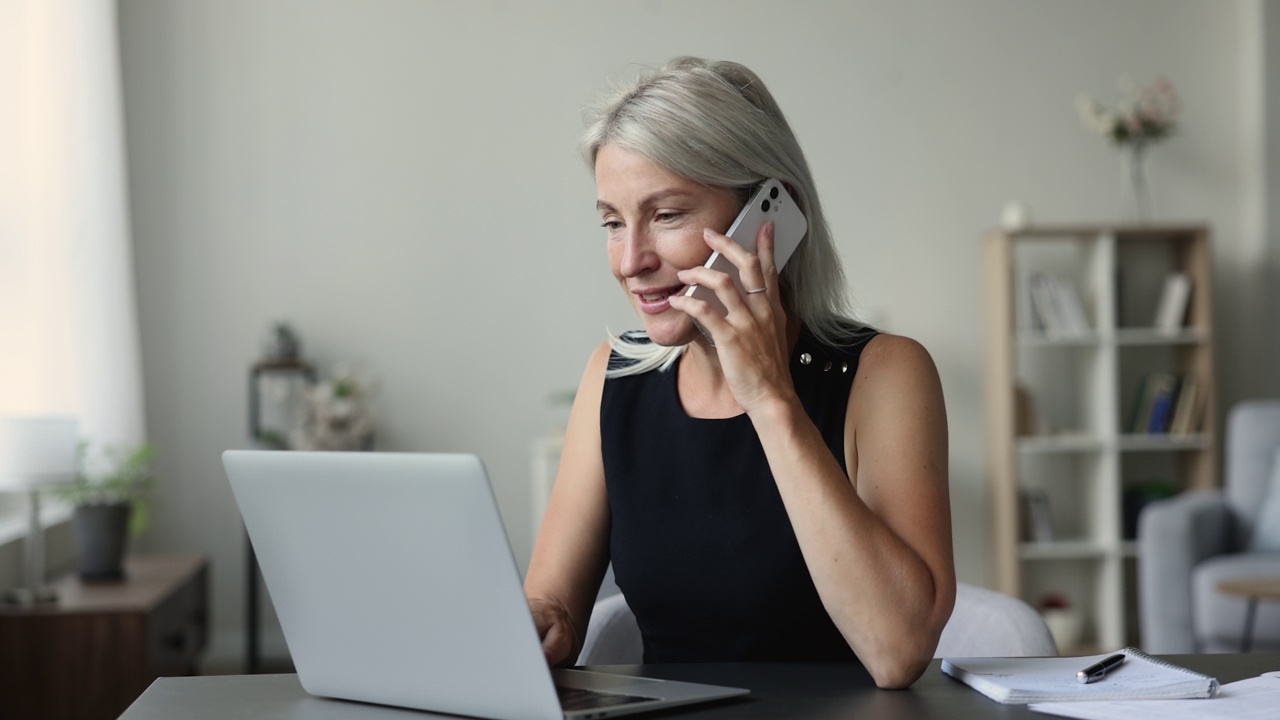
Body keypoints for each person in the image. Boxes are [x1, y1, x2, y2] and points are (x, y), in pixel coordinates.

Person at [524, 56, 954, 689]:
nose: (631, 260)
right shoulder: (612, 377)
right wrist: (538, 623)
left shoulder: (885, 375)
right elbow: (553, 607)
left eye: (666, 215)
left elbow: (898, 650)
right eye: (613, 222)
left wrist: (771, 400)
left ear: (767, 218)